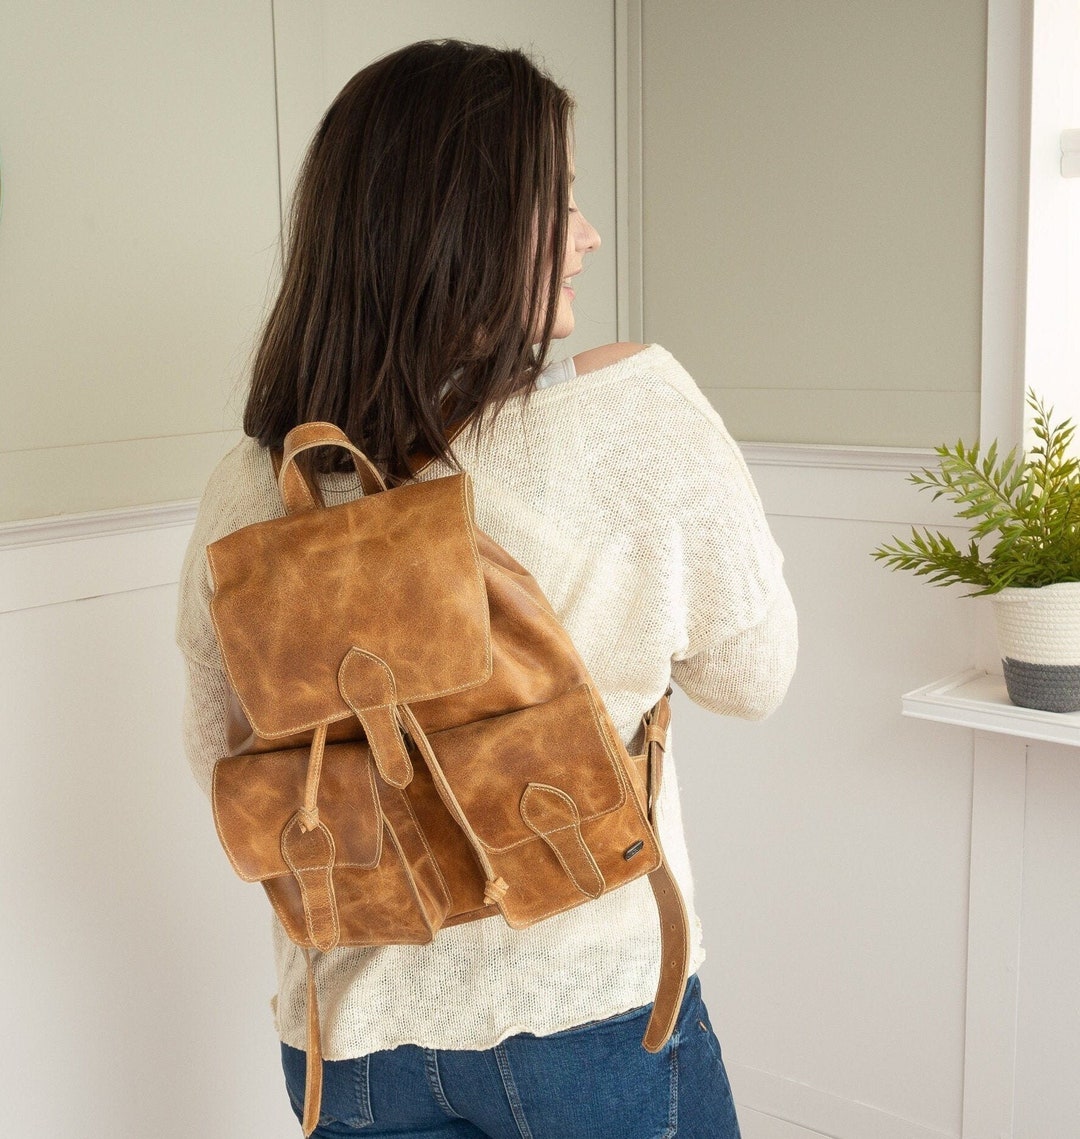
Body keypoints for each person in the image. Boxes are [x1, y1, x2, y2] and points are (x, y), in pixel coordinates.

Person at [177, 38, 797, 1139]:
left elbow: (220, 753)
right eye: (557, 205)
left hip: (349, 1034)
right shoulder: (635, 413)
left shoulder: (252, 481)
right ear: (461, 227)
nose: (588, 235)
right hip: (586, 1008)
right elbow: (754, 675)